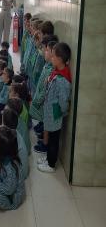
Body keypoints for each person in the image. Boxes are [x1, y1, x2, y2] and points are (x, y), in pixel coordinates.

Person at [37, 43, 72, 173]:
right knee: (51, 137)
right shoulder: (57, 72)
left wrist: (60, 112)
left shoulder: (63, 80)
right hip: (50, 113)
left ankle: (51, 164)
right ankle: (48, 157)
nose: (51, 57)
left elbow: (63, 102)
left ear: (60, 59)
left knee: (54, 140)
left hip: (55, 115)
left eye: (53, 56)